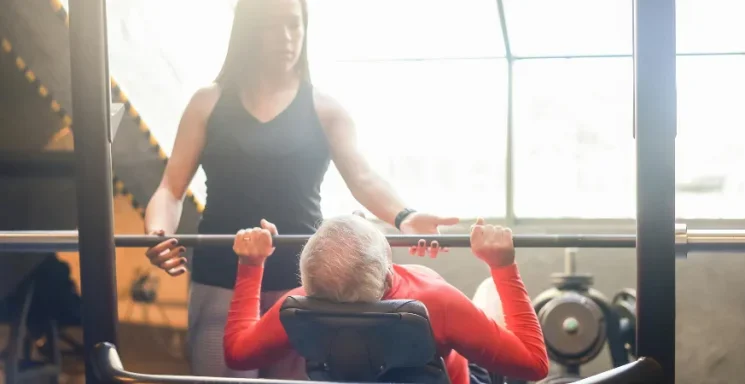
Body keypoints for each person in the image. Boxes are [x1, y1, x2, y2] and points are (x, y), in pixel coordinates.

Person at [141, 0, 459, 378]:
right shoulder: (207, 102)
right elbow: (170, 189)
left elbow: (363, 178)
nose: (287, 37)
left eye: (294, 25)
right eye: (273, 26)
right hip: (219, 278)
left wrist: (405, 216)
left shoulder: (326, 109)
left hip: (301, 284)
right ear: (248, 30)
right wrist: (157, 234)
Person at [224, 215, 549, 384]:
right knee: (489, 292)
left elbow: (237, 355)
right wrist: (502, 265)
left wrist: (251, 265)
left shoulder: (299, 307)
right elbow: (535, 364)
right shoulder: (438, 302)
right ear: (389, 273)